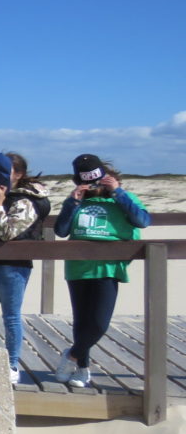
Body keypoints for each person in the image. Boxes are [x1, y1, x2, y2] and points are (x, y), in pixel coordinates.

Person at [53, 154, 150, 388]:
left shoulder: (122, 197)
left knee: (98, 323)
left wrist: (117, 192)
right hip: (78, 266)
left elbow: (142, 220)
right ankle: (82, 369)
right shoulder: (79, 200)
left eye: (97, 182)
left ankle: (72, 356)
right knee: (81, 321)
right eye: (88, 183)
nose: (93, 187)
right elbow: (61, 230)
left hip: (108, 267)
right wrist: (71, 203)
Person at [0, 153, 51, 384]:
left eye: (7, 172)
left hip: (14, 266)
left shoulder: (29, 199)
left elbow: (8, 232)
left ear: (18, 174)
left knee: (10, 316)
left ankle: (11, 365)